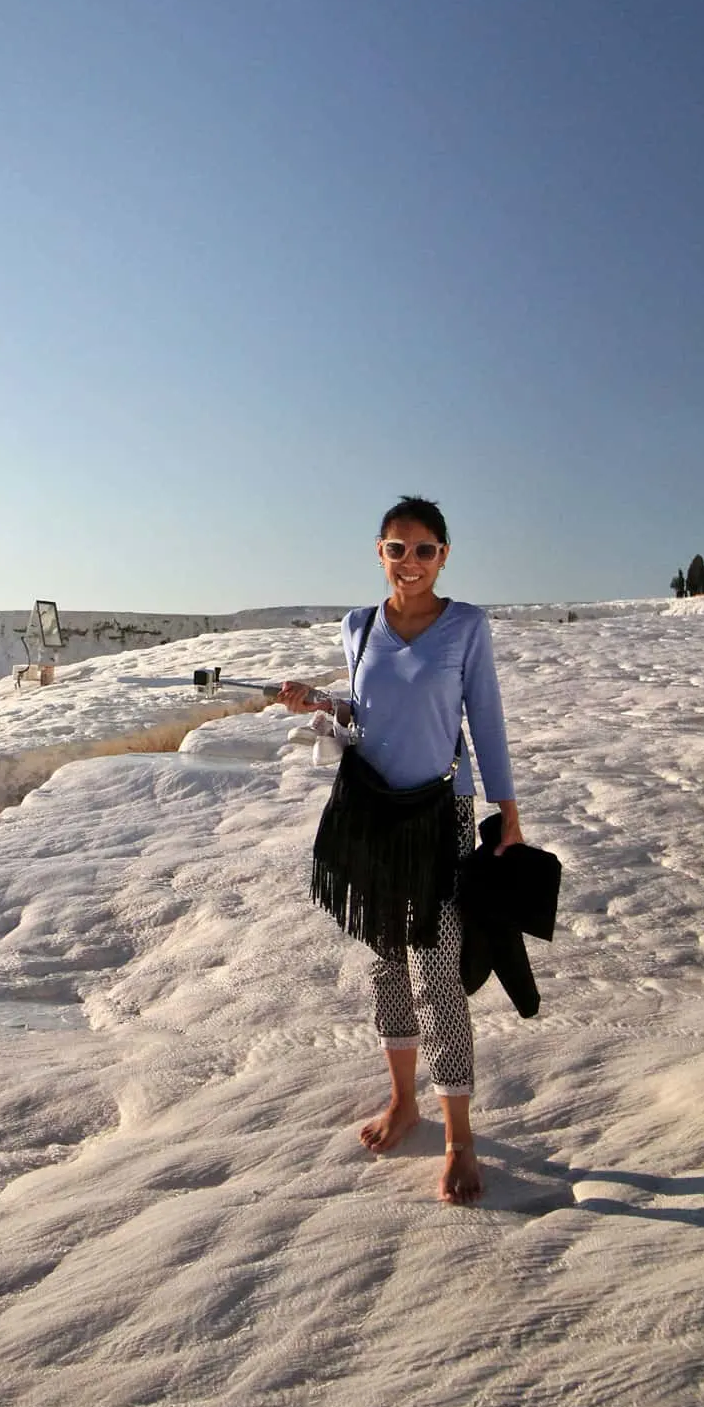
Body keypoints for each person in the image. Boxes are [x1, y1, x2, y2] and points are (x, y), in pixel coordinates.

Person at [279, 495, 521, 1206]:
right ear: (378, 554)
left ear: (443, 556)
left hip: (441, 814)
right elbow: (365, 711)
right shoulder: (359, 626)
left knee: (437, 971)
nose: (408, 562)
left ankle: (458, 1136)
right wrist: (322, 702)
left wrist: (509, 814)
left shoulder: (466, 627)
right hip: (372, 815)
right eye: (396, 549)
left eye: (423, 550)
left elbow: (487, 724)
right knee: (387, 964)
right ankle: (404, 1102)